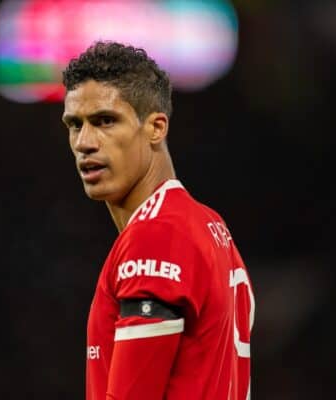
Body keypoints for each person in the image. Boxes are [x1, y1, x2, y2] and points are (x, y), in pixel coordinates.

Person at [61, 41, 255, 400]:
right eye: (75, 125)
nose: (84, 142)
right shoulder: (208, 224)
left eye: (105, 120)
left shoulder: (155, 234)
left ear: (156, 127)